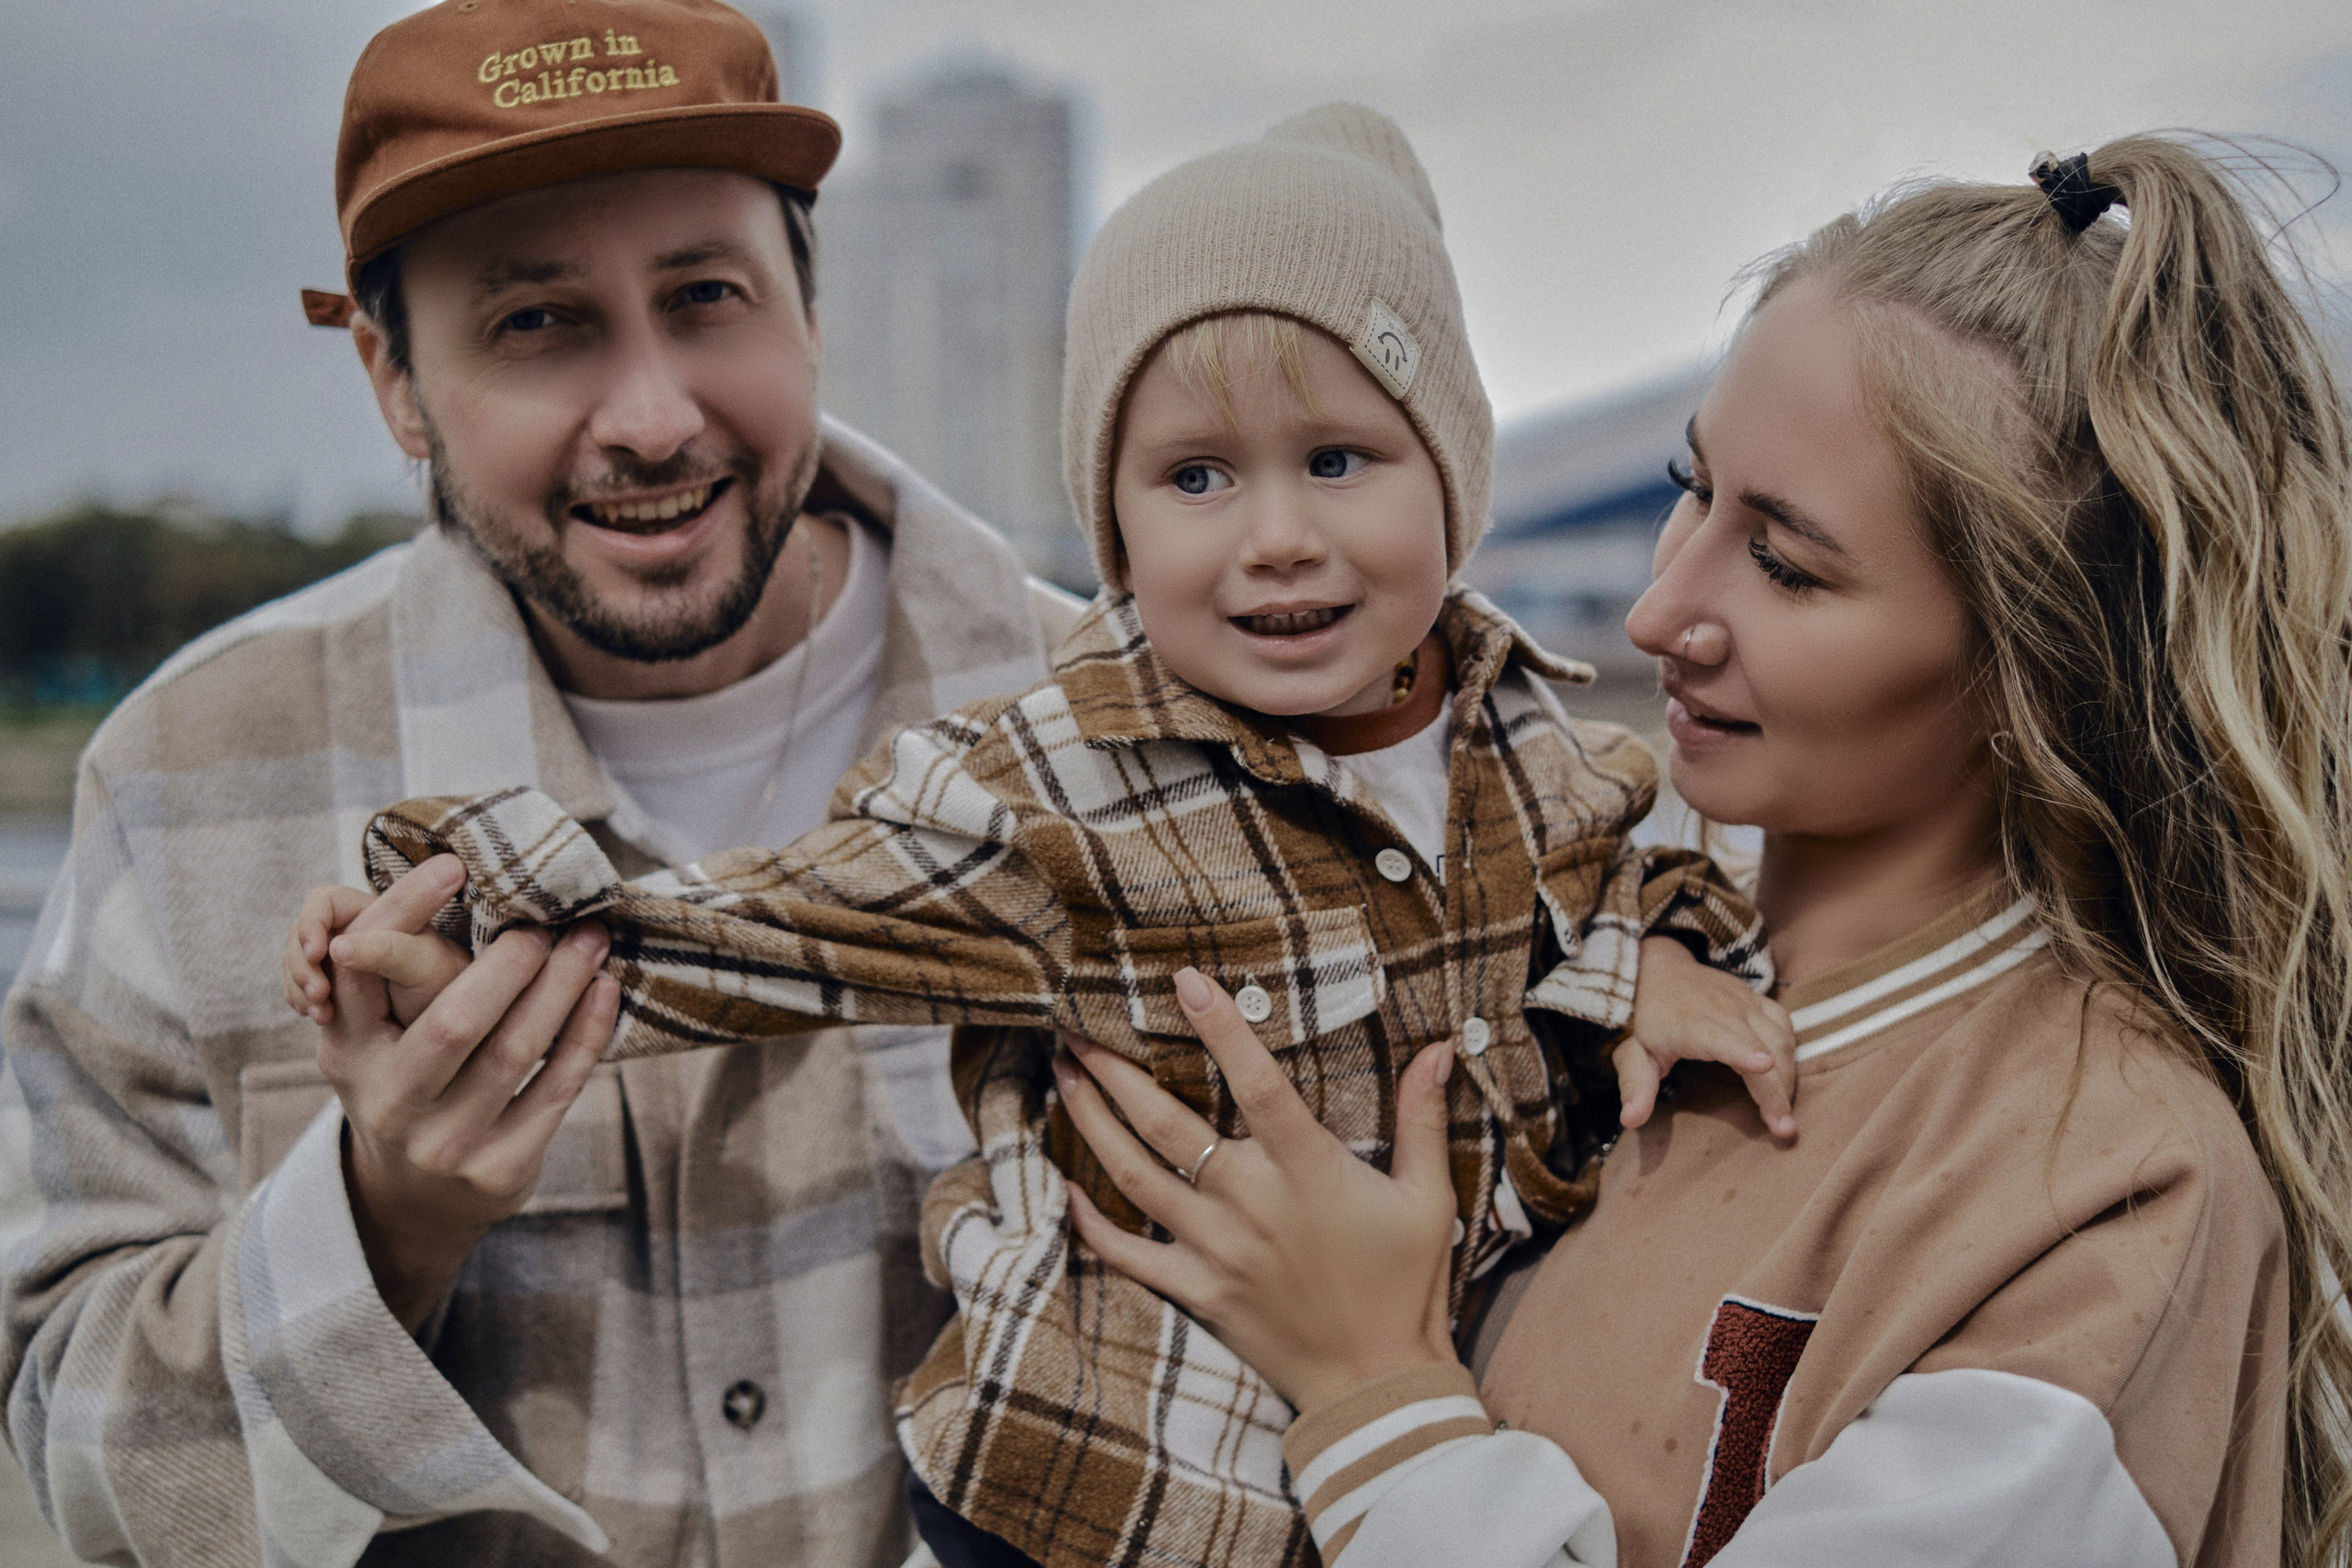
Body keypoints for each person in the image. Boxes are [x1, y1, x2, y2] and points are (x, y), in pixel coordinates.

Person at [291, 105, 1795, 1568]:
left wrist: (1653, 966)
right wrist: (470, 919)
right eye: (1196, 477)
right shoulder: (1055, 794)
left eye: (1339, 460)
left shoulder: (1536, 743)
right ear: (1117, 530)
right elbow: (765, 928)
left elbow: (1645, 868)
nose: (1277, 535)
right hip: (1114, 1489)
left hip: (1421, 1465)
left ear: (1454, 478)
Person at [1051, 136, 2352, 1567]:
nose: (1659, 611)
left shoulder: (2111, 1193)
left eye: (1786, 564)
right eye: (1693, 485)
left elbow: (1378, 1406)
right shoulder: (1544, 929)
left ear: (2039, 666)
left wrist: (1370, 1387)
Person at [0, 2, 1090, 1562]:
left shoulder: (1111, 729)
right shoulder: (182, 782)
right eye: (535, 323)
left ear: (808, 305)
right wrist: (382, 1225)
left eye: (705, 296)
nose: (651, 418)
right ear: (392, 380)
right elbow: (79, 1455)